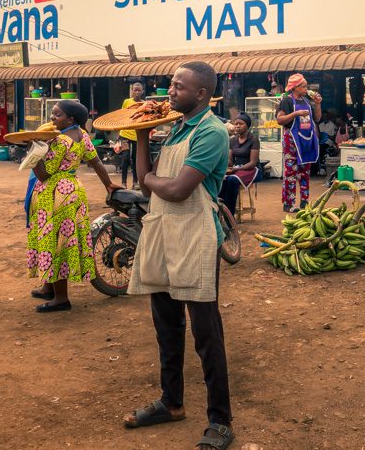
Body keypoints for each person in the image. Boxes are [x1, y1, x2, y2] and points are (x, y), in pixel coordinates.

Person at [124, 61, 235, 450]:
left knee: (207, 334)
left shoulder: (211, 131)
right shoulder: (176, 130)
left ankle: (220, 421)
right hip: (163, 232)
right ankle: (171, 404)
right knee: (166, 326)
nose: (169, 92)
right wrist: (141, 135)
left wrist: (155, 183)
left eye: (178, 86)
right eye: (171, 84)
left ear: (201, 93)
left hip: (195, 236)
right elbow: (148, 180)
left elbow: (177, 190)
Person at [26, 100, 121, 312]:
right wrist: (108, 184)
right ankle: (48, 287)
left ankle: (61, 298)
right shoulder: (81, 134)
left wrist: (33, 150)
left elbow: (43, 174)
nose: (52, 119)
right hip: (72, 190)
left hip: (55, 193)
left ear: (70, 119)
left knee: (55, 243)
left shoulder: (59, 141)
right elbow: (96, 161)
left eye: (57, 115)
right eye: (52, 114)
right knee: (60, 239)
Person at [275, 73, 321, 212]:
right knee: (291, 172)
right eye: (303, 86)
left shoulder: (307, 101)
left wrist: (318, 104)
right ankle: (289, 203)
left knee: (304, 172)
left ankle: (304, 202)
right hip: (292, 140)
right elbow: (280, 120)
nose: (306, 89)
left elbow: (317, 119)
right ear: (295, 87)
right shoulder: (287, 101)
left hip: (305, 139)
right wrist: (295, 114)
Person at [217, 112, 260, 216]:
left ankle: (230, 214)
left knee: (231, 180)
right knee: (222, 179)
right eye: (236, 124)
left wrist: (236, 169)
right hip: (236, 168)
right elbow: (231, 161)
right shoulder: (232, 140)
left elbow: (253, 163)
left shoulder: (253, 140)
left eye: (241, 124)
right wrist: (222, 156)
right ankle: (222, 210)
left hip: (250, 170)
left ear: (247, 126)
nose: (238, 126)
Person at [118, 81, 145, 190]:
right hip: (125, 134)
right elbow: (122, 114)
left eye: (139, 90)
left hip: (137, 135)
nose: (137, 92)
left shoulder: (144, 104)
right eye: (135, 90)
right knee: (125, 157)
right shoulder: (127, 102)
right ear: (132, 91)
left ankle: (135, 182)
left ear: (142, 91)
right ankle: (123, 183)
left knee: (135, 158)